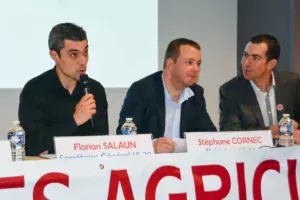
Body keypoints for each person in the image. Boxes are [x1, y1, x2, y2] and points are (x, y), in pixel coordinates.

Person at [19, 23, 109, 156]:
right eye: (74, 55)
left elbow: (102, 143)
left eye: (85, 52)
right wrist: (75, 120)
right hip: (49, 173)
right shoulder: (34, 90)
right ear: (54, 55)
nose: (83, 61)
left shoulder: (95, 89)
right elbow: (33, 146)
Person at [117, 38, 216, 153]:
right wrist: (151, 147)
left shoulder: (196, 94)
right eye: (189, 62)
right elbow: (125, 136)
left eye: (198, 64)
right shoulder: (141, 90)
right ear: (170, 64)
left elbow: (209, 137)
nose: (196, 69)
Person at [219, 34, 300, 144]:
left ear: (271, 64)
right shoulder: (230, 90)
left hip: (290, 154)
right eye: (245, 55)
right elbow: (229, 133)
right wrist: (270, 132)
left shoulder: (292, 83)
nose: (246, 63)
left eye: (256, 58)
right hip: (252, 157)